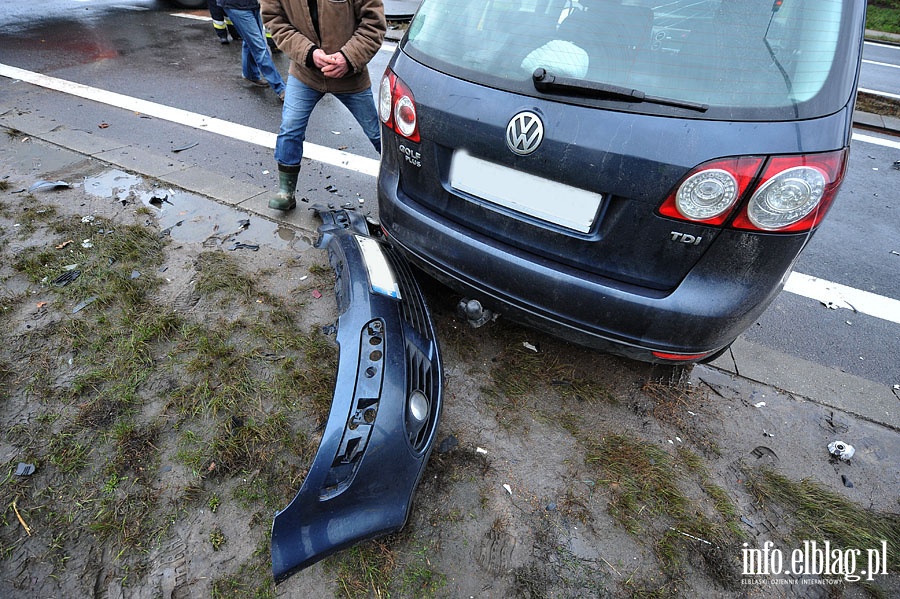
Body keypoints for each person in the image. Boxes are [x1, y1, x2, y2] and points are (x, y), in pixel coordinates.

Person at [261, 0, 385, 211]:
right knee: (290, 128)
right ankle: (286, 192)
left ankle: (410, 186)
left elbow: (373, 24)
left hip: (350, 75)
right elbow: (275, 21)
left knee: (378, 133)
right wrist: (309, 54)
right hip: (305, 73)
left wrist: (348, 57)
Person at [218, 0, 287, 100]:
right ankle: (280, 88)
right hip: (237, 5)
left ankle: (250, 75)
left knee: (251, 41)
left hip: (253, 4)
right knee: (259, 47)